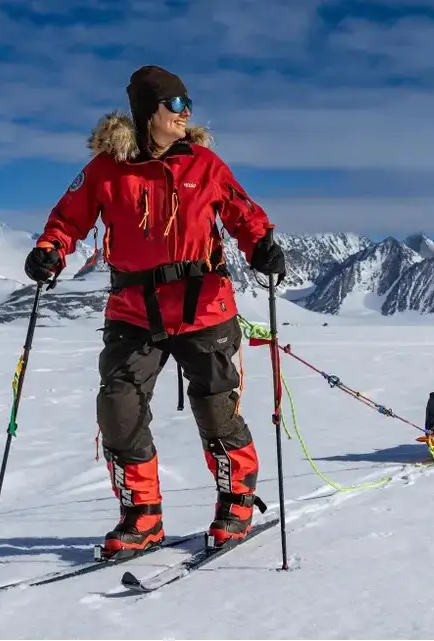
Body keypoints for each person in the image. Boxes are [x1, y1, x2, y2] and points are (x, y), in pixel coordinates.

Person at [23, 65, 286, 559]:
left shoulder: (205, 165)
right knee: (118, 408)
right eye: (177, 105)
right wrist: (51, 249)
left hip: (204, 307)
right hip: (133, 309)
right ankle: (141, 515)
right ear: (150, 112)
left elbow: (242, 213)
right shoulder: (106, 169)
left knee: (215, 408)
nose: (186, 114)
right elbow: (68, 217)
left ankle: (237, 500)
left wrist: (262, 245)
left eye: (189, 105)